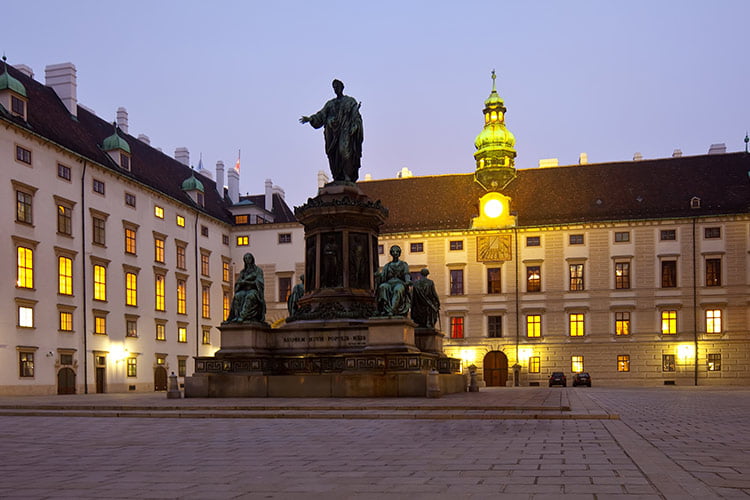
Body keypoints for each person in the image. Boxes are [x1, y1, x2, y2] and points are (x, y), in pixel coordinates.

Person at [300, 79, 363, 182]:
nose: (336, 89)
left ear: (342, 87)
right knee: (335, 156)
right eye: (334, 87)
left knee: (345, 152)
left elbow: (356, 117)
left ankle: (348, 176)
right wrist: (311, 119)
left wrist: (355, 126)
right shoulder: (330, 104)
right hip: (333, 135)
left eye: (337, 87)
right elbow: (321, 115)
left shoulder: (350, 101)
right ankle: (338, 177)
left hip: (345, 132)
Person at [226, 253, 266, 323]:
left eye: (249, 258)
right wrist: (240, 283)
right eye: (246, 258)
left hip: (254, 290)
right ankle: (236, 316)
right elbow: (238, 283)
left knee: (250, 296)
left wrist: (247, 282)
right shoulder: (243, 272)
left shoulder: (258, 270)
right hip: (244, 290)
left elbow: (260, 283)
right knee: (237, 296)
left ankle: (242, 316)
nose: (247, 260)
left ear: (252, 259)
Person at [375, 245, 411, 316]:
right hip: (389, 283)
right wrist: (378, 276)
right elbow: (383, 277)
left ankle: (392, 310)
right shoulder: (387, 265)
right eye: (393, 251)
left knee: (398, 289)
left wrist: (407, 281)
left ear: (399, 253)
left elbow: (406, 274)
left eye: (397, 251)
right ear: (391, 253)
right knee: (382, 287)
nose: (395, 253)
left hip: (399, 283)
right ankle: (385, 309)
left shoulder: (403, 264)